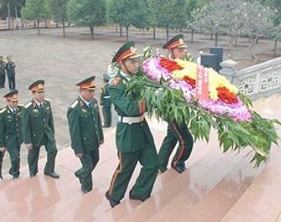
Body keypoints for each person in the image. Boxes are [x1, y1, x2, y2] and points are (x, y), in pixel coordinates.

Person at [105, 41, 158, 208]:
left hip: (142, 128)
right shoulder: (115, 85)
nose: (136, 65)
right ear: (122, 63)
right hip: (127, 131)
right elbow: (129, 108)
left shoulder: (139, 77)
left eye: (137, 61)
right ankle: (113, 195)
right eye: (132, 62)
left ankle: (139, 192)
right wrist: (154, 98)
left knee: (152, 163)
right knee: (126, 168)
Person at [158, 34, 194, 174]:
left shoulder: (184, 65)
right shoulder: (164, 67)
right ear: (171, 51)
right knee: (186, 140)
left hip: (181, 108)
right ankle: (177, 161)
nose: (183, 53)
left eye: (183, 50)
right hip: (172, 110)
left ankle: (160, 163)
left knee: (172, 136)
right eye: (179, 51)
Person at [67, 76, 104, 193]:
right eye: (89, 91)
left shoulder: (93, 102)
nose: (92, 94)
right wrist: (77, 149)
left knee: (96, 160)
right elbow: (74, 131)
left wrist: (101, 137)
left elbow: (97, 120)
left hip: (94, 141)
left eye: (93, 91)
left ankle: (80, 173)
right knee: (88, 166)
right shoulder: (75, 108)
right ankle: (86, 188)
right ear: (82, 91)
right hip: (83, 144)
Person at [22, 80, 59, 179]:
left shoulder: (47, 103)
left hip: (47, 133)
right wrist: (28, 141)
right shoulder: (27, 108)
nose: (42, 94)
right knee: (33, 155)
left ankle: (49, 169)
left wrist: (52, 133)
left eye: (43, 92)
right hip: (35, 136)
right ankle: (33, 171)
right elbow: (25, 126)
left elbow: (50, 119)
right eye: (39, 92)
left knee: (53, 150)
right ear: (33, 93)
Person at [0, 90, 24, 179]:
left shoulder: (21, 109)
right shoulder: (2, 114)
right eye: (13, 102)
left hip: (19, 138)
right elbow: (0, 131)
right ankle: (16, 174)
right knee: (15, 157)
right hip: (9, 139)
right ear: (8, 101)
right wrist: (1, 145)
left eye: (16, 101)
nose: (15, 103)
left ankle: (12, 170)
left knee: (17, 156)